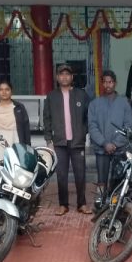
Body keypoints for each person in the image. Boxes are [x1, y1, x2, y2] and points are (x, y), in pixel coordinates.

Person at [43, 63, 92, 216]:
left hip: (77, 142)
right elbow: (47, 119)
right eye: (61, 74)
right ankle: (63, 204)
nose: (64, 77)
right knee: (61, 175)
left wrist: (83, 132)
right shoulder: (51, 96)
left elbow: (89, 117)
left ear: (72, 77)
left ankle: (81, 203)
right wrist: (48, 139)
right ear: (57, 77)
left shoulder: (81, 95)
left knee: (80, 174)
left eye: (67, 74)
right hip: (59, 143)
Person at [88, 70, 132, 198]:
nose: (108, 85)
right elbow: (92, 127)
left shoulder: (124, 103)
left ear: (115, 83)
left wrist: (115, 144)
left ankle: (116, 204)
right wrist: (104, 143)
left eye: (110, 82)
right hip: (101, 149)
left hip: (120, 149)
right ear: (102, 84)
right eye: (105, 82)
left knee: (118, 180)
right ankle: (101, 203)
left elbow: (128, 127)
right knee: (101, 181)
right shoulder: (94, 104)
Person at [0, 80, 31, 190]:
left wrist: (27, 149)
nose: (4, 92)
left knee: (16, 171)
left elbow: (26, 129)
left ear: (11, 91)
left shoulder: (19, 107)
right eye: (1, 89)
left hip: (15, 141)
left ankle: (14, 198)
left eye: (7, 89)